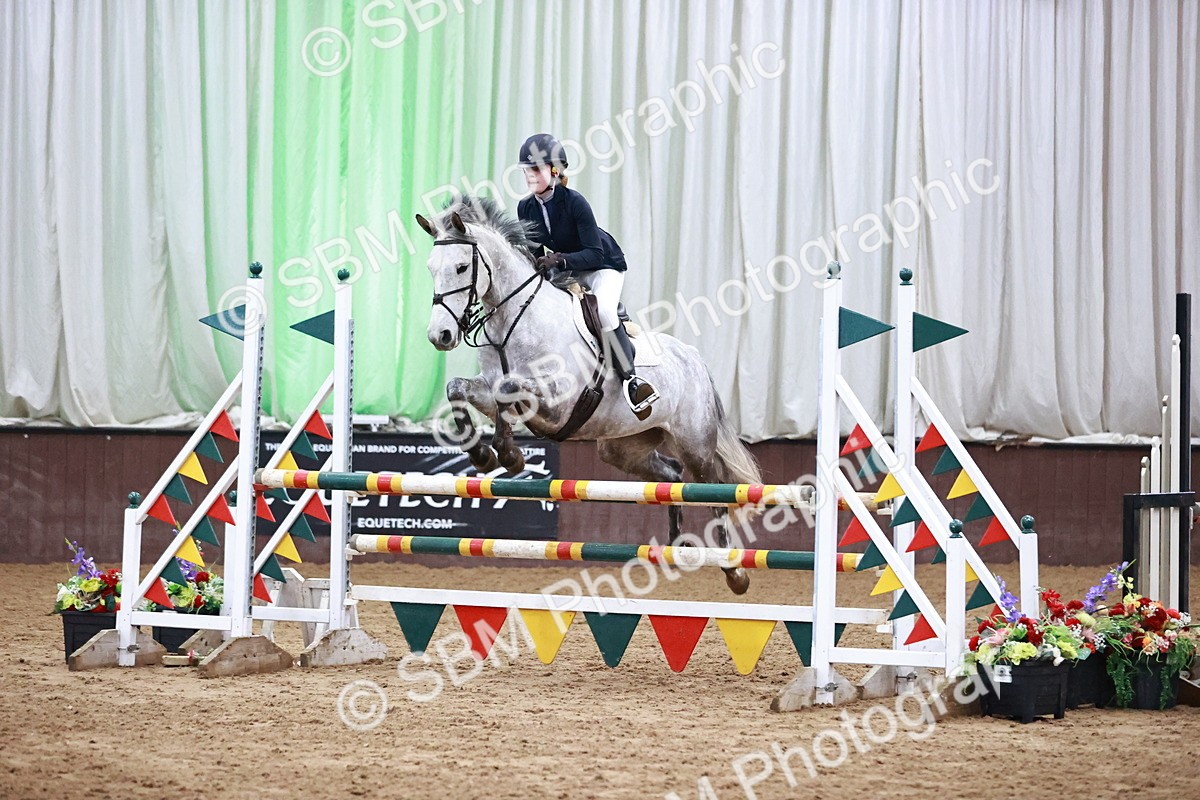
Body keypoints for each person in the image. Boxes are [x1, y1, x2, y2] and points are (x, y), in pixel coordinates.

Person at [515, 133, 658, 418]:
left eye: (536, 170)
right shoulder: (526, 207)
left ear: (554, 171)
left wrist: (559, 259)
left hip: (603, 266)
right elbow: (535, 252)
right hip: (569, 268)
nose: (530, 176)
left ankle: (631, 379)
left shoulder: (575, 202)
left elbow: (593, 253)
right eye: (526, 170)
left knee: (604, 312)